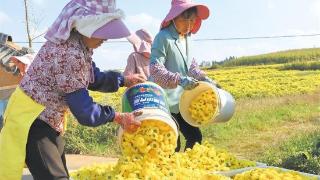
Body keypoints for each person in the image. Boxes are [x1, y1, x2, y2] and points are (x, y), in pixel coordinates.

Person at [0, 0, 146, 179]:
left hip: (48, 118)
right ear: (86, 26)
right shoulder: (70, 53)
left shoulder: (78, 45)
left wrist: (123, 80)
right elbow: (85, 112)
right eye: (102, 32)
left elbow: (91, 76)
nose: (105, 38)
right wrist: (117, 116)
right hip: (33, 120)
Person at [150, 0, 218, 152]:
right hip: (162, 100)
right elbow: (155, 69)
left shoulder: (187, 39)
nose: (189, 24)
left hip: (180, 101)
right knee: (172, 142)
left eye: (193, 20)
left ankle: (186, 169)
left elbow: (192, 67)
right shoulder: (163, 37)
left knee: (195, 137)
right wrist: (180, 80)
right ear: (174, 17)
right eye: (185, 19)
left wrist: (206, 79)